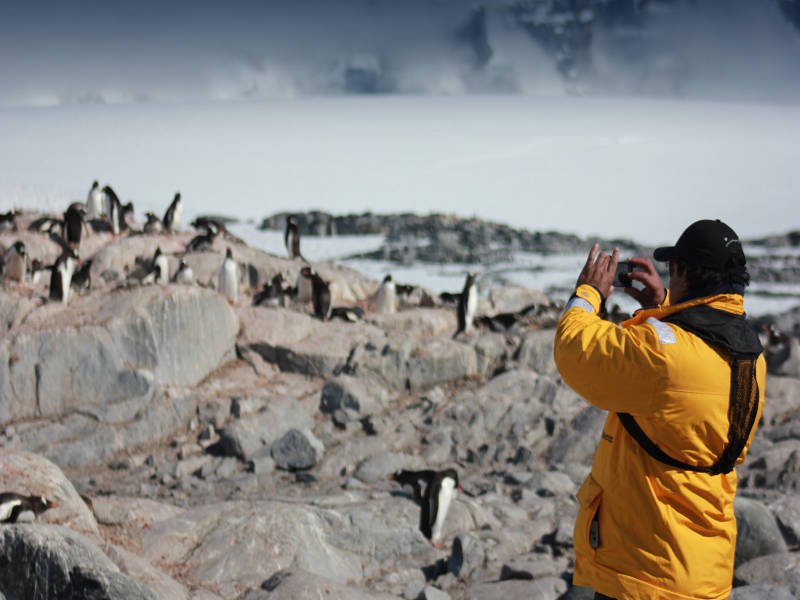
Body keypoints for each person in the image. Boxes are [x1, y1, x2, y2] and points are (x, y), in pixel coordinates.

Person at [553, 219, 766, 600]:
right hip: (705, 574)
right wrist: (665, 305)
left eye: (674, 268)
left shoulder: (663, 355)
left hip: (646, 570)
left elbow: (575, 350)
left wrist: (587, 294)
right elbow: (688, 364)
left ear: (683, 272)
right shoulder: (750, 356)